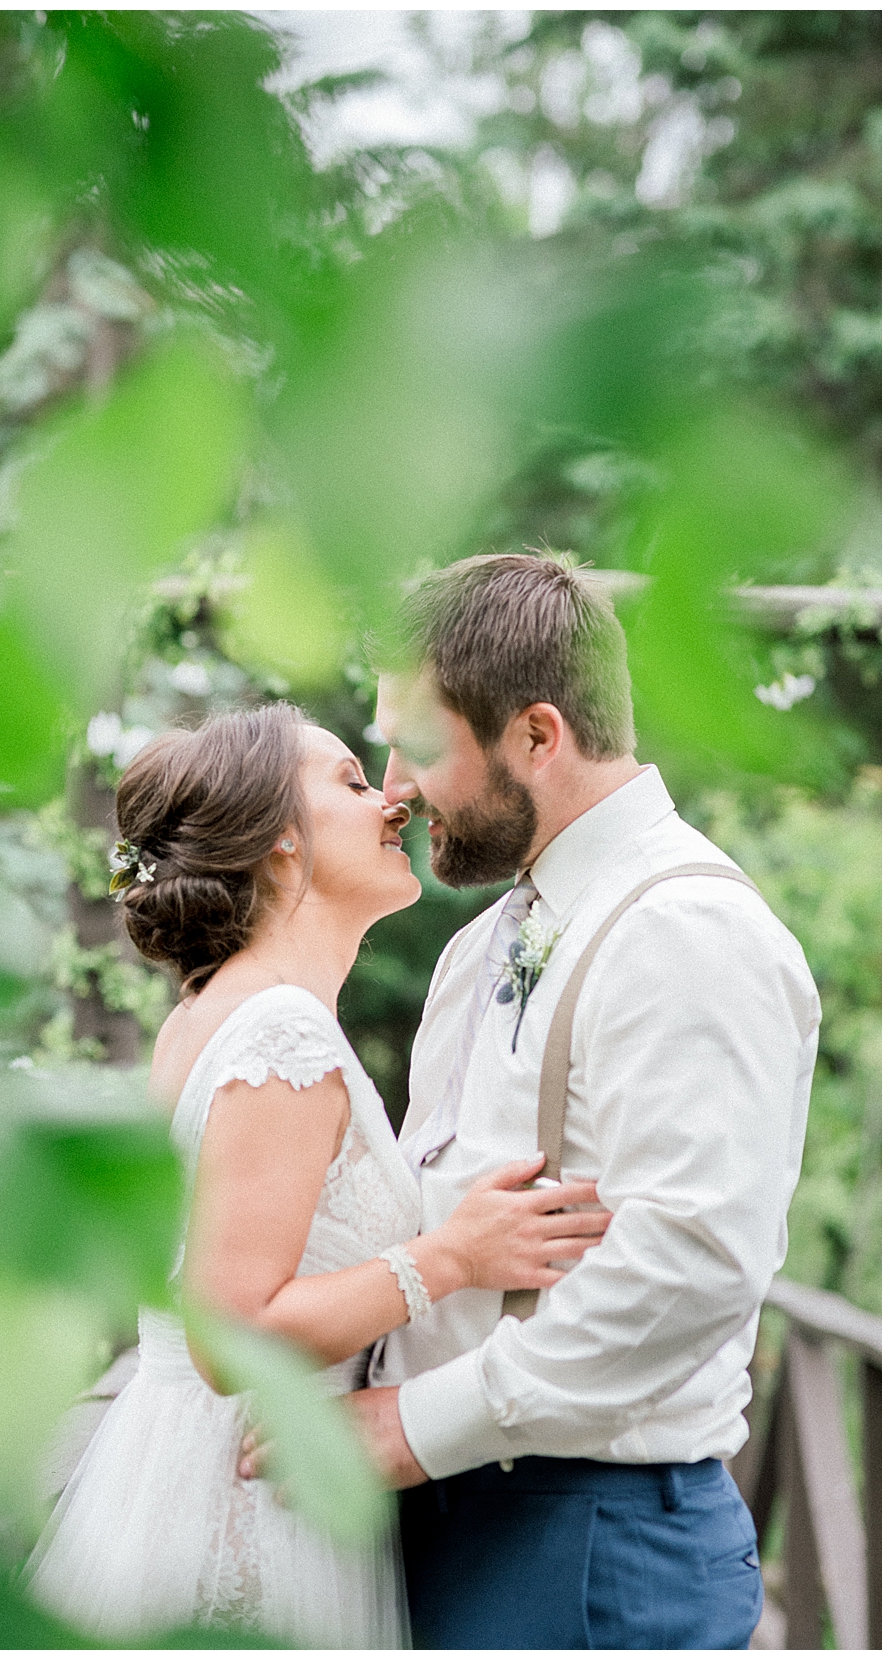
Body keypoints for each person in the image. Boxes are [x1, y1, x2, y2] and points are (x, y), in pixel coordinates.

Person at [280, 552, 820, 1649]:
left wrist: (408, 1428)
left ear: (536, 735)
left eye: (419, 745)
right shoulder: (482, 942)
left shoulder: (689, 933)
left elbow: (691, 1262)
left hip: (585, 1542)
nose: (391, 786)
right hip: (445, 1516)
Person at [24, 701, 611, 1647]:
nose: (390, 801)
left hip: (216, 1467)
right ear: (280, 842)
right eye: (348, 781)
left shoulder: (219, 1011)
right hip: (245, 1504)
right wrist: (450, 1258)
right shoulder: (278, 1035)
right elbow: (228, 1335)